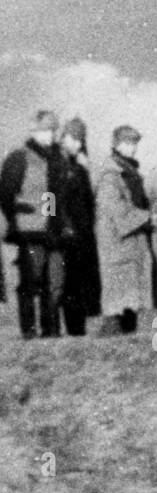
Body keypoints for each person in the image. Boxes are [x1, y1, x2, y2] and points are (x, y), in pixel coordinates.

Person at [0, 111, 68, 338]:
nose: (50, 135)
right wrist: (16, 219)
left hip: (53, 230)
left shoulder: (58, 159)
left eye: (53, 130)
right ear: (34, 131)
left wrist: (56, 222)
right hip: (29, 230)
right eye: (45, 130)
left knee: (55, 282)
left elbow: (55, 196)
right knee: (31, 282)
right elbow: (6, 194)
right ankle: (29, 332)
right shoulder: (19, 158)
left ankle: (51, 331)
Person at [94, 125, 157, 335]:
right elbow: (116, 209)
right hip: (118, 240)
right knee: (118, 299)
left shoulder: (127, 171)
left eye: (134, 143)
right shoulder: (111, 174)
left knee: (127, 299)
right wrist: (146, 218)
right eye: (127, 143)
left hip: (128, 241)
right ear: (116, 144)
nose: (132, 148)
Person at [56, 117, 101, 336]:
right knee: (70, 281)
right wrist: (59, 226)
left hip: (83, 232)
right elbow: (51, 197)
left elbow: (88, 199)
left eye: (79, 139)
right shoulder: (56, 162)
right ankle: (74, 328)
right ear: (63, 137)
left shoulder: (79, 164)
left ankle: (79, 328)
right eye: (71, 138)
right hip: (67, 232)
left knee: (81, 280)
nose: (76, 143)